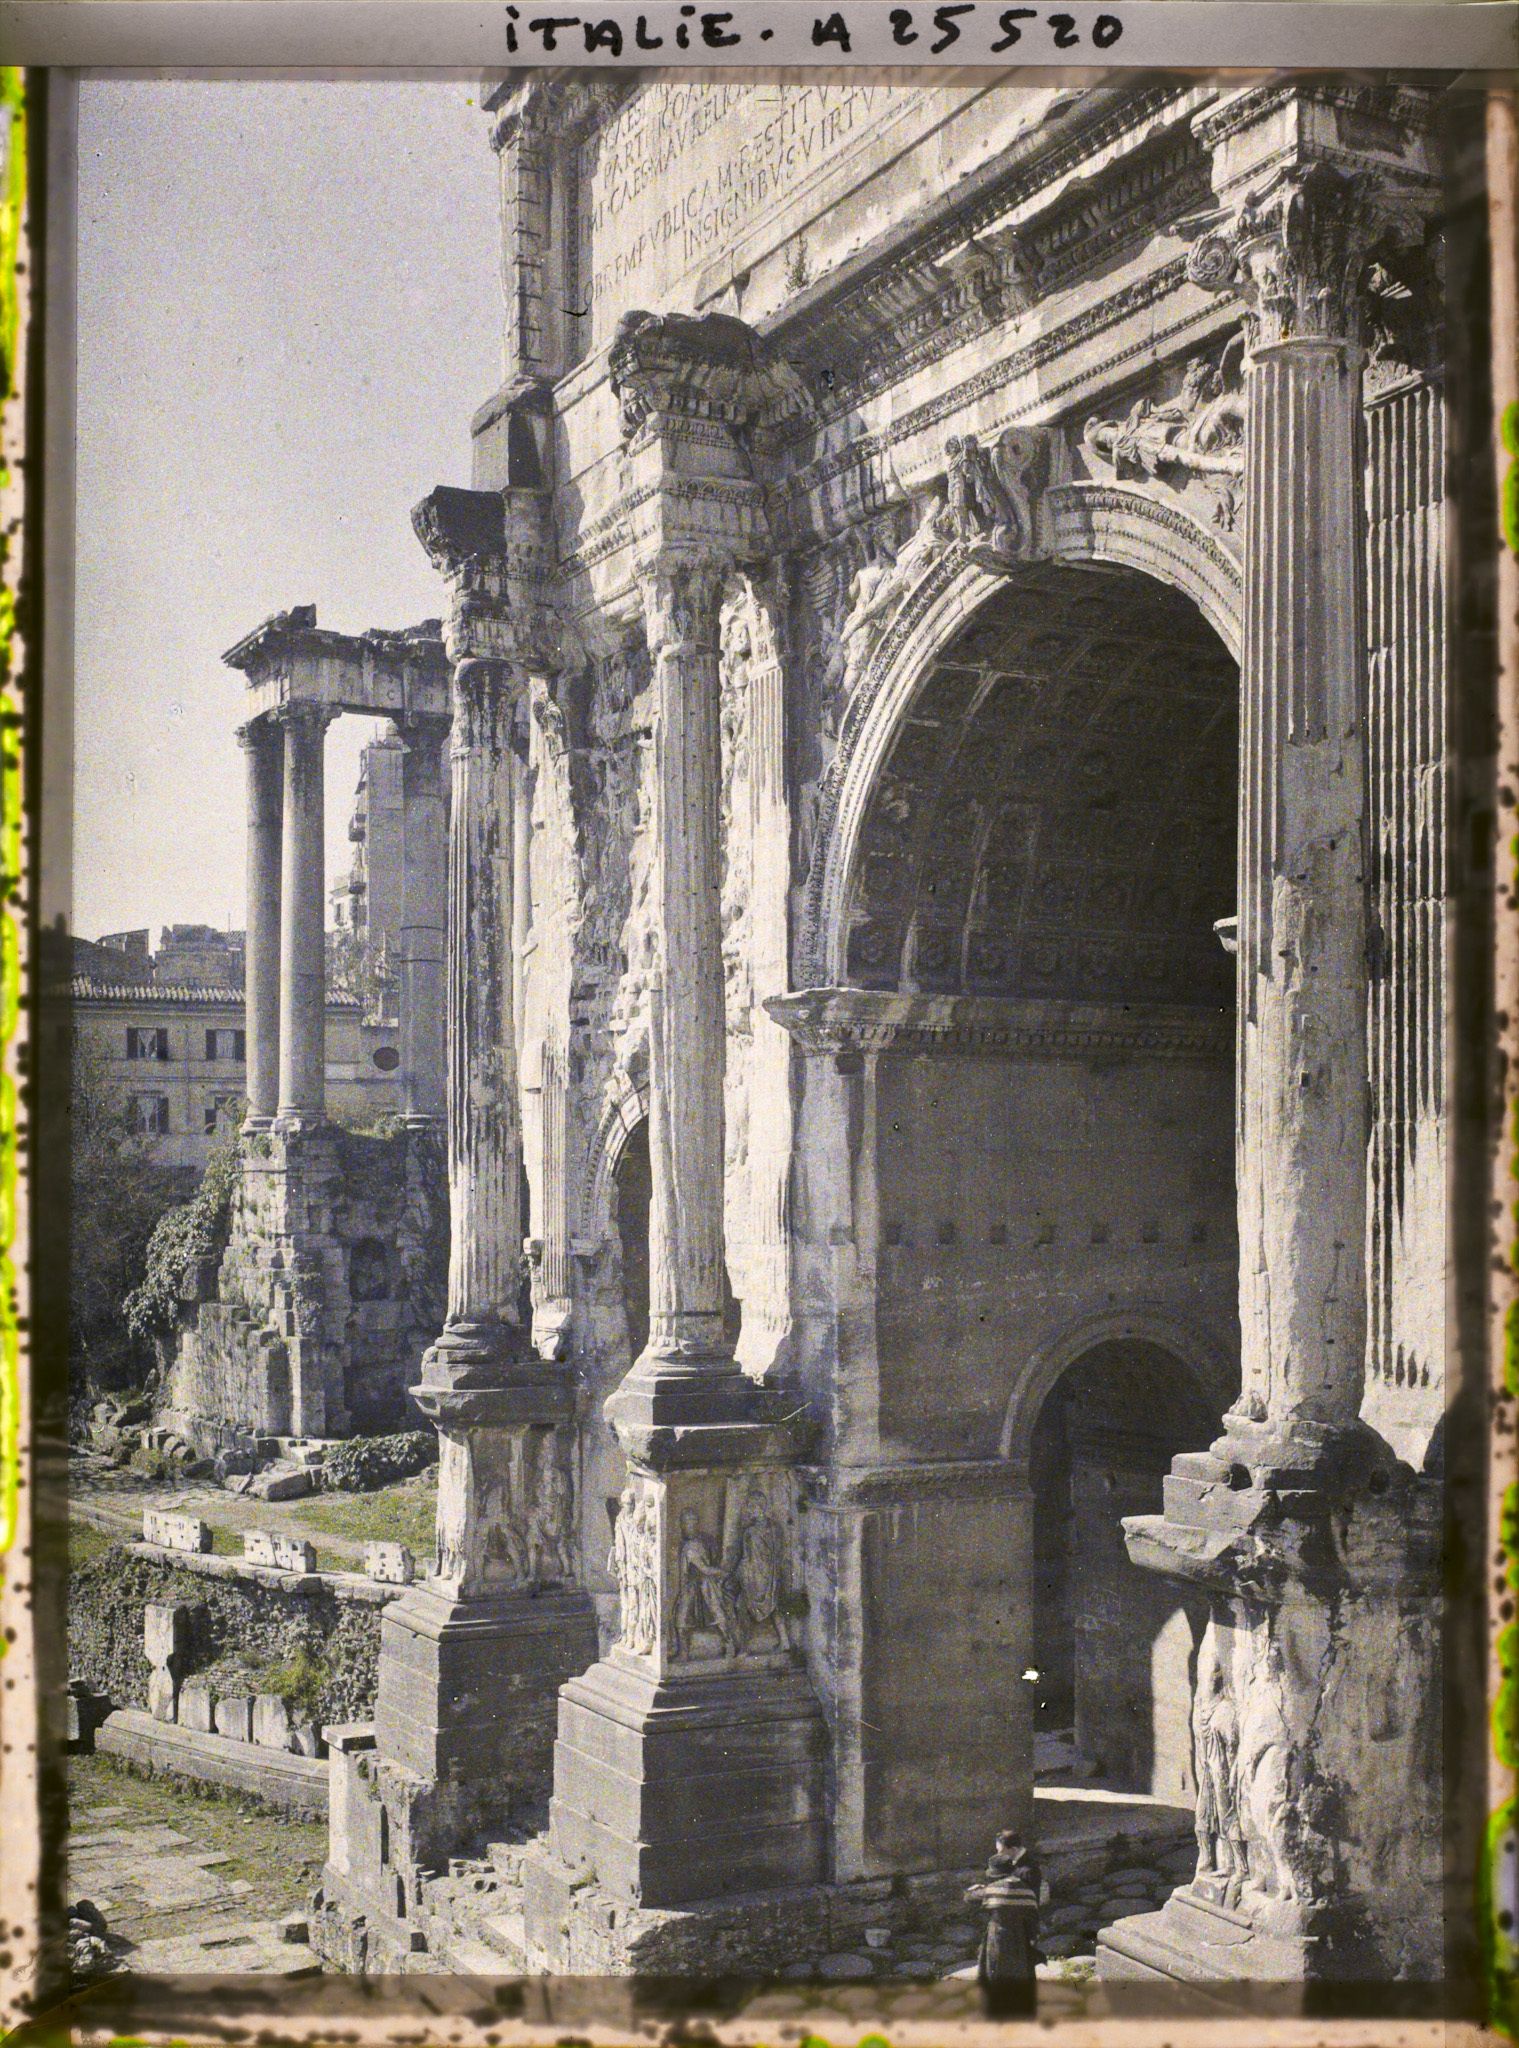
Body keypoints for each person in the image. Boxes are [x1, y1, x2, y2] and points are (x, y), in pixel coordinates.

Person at [965, 1829, 1043, 2015]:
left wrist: (979, 1890)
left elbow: (970, 1897)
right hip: (1021, 1931)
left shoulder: (998, 1888)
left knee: (995, 1968)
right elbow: (1032, 1909)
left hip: (998, 1933)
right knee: (1021, 1968)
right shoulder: (1024, 1890)